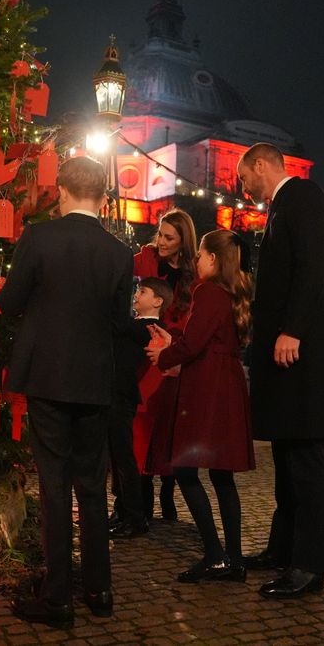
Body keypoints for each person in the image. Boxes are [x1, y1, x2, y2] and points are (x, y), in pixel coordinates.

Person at [0, 156, 133, 628]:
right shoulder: (119, 252)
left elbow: (9, 303)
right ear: (103, 194)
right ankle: (99, 588)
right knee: (92, 484)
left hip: (48, 375)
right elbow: (120, 322)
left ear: (61, 190)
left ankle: (57, 597)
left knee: (53, 484)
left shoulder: (39, 238)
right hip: (95, 379)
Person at [237, 142, 324, 599]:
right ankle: (281, 550)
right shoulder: (282, 206)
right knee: (287, 455)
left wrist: (292, 330)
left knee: (304, 456)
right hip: (285, 351)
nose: (243, 187)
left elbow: (312, 268)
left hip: (299, 352)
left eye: (244, 177)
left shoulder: (302, 196)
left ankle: (308, 565)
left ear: (261, 165)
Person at [146, 229, 255, 584]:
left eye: (201, 254)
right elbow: (203, 339)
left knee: (185, 468)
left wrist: (166, 354)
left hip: (207, 388)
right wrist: (174, 340)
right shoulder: (228, 294)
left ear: (212, 259)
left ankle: (214, 554)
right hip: (224, 385)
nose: (196, 260)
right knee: (221, 475)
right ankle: (233, 558)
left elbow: (194, 345)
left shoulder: (208, 292)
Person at [133, 209, 197, 520]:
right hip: (145, 358)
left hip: (175, 358)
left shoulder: (194, 275)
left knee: (169, 431)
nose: (161, 241)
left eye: (169, 237)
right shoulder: (147, 258)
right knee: (142, 430)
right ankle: (142, 503)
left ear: (184, 242)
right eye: (160, 233)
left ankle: (167, 496)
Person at [107, 277, 172, 538]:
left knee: (124, 459)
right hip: (117, 394)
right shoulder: (139, 327)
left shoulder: (149, 327)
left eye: (142, 292)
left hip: (120, 396)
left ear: (157, 301)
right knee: (118, 458)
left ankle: (135, 518)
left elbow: (117, 325)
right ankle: (124, 513)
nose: (137, 295)